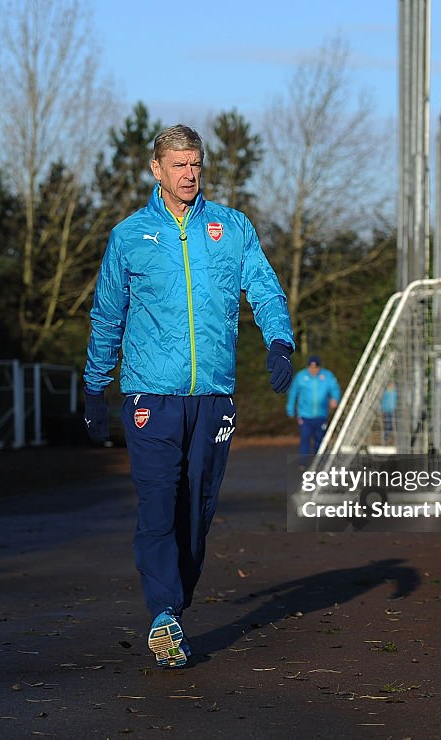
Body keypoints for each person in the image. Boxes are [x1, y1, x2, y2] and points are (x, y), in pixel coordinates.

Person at [82, 124, 294, 669]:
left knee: (196, 509)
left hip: (213, 395)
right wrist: (94, 385)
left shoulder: (232, 226)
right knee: (157, 502)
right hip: (150, 394)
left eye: (196, 164)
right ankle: (162, 614)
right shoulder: (129, 236)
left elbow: (265, 286)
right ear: (156, 169)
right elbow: (108, 314)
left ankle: (173, 605)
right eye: (178, 165)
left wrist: (278, 340)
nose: (189, 174)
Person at [286, 356, 341, 457]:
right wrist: (290, 409)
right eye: (311, 368)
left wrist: (335, 399)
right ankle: (303, 463)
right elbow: (293, 393)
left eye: (316, 368)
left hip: (321, 414)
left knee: (319, 439)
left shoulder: (327, 376)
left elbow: (335, 388)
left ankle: (318, 462)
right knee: (305, 438)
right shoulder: (301, 376)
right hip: (304, 415)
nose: (313, 370)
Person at [381, 380, 398, 445]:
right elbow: (382, 401)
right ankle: (386, 439)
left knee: (395, 425)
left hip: (394, 410)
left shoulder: (395, 390)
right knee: (387, 425)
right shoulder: (385, 391)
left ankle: (395, 440)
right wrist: (382, 409)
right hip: (387, 411)